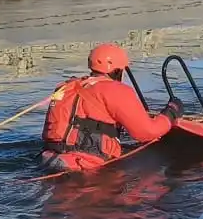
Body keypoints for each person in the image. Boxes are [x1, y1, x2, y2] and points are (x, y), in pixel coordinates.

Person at [40, 43, 182, 173]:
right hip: (86, 168)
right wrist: (170, 113)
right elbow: (146, 133)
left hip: (49, 160)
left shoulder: (66, 87)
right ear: (118, 71)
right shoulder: (115, 90)